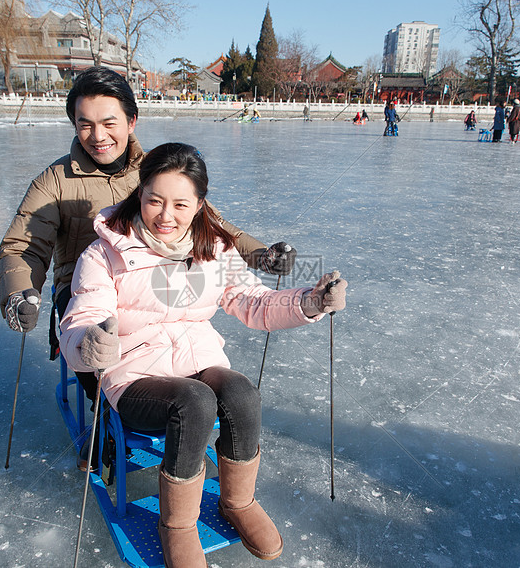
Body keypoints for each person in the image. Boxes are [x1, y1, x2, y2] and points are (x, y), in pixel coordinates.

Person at [59, 143, 348, 567]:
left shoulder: (215, 248)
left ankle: (238, 501)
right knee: (194, 403)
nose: (165, 215)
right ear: (140, 194)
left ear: (199, 205)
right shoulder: (104, 254)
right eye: (154, 200)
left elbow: (253, 301)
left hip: (198, 359)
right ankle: (176, 524)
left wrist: (311, 302)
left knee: (240, 393)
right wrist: (90, 343)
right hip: (133, 374)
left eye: (179, 203)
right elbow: (83, 317)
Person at [0, 67, 296, 454]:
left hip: (157, 277)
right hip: (84, 288)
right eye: (85, 124)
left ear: (131, 120)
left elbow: (213, 226)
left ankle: (181, 400)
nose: (98, 136)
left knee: (184, 336)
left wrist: (261, 255)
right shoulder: (54, 181)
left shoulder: (156, 169)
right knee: (98, 345)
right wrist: (20, 293)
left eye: (109, 122)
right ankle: (109, 413)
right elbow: (24, 246)